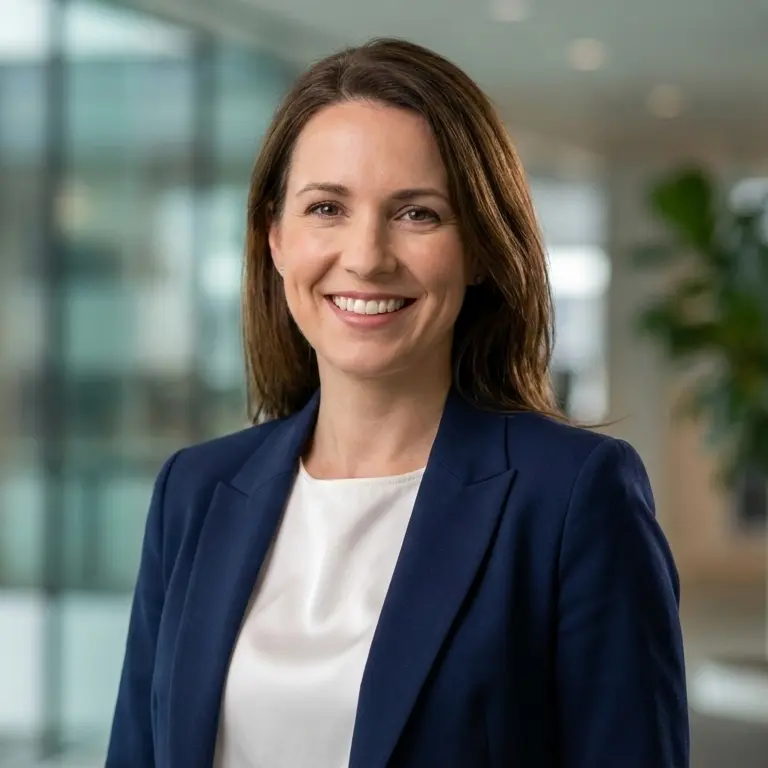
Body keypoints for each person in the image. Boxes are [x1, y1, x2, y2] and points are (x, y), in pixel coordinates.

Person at [107, 38, 689, 768]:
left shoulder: (573, 497)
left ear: (479, 247)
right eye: (326, 207)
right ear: (275, 238)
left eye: (416, 214)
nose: (367, 256)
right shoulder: (194, 492)